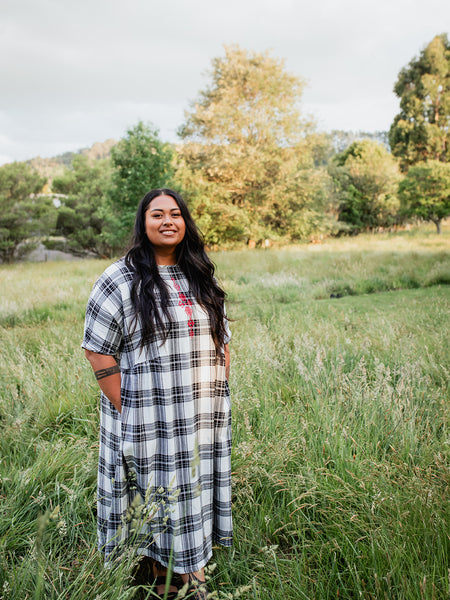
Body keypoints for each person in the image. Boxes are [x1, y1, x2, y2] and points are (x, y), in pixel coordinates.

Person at [82, 189, 232, 599]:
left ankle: (182, 571)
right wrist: (128, 410)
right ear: (142, 223)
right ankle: (164, 572)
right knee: (151, 490)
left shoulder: (200, 274)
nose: (168, 221)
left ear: (185, 222)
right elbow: (97, 350)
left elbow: (221, 341)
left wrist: (218, 401)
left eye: (175, 214)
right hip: (145, 417)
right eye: (157, 214)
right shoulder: (119, 279)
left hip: (200, 414)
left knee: (191, 488)